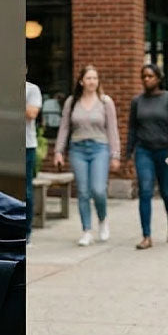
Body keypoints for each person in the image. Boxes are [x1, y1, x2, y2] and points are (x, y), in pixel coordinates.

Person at [53, 66, 121, 246]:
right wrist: (59, 151)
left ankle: (103, 218)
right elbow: (65, 127)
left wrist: (115, 155)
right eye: (89, 78)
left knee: (98, 190)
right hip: (77, 149)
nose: (92, 81)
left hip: (100, 148)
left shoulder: (105, 102)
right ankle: (86, 231)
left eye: (95, 78)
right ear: (81, 81)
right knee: (82, 192)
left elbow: (112, 130)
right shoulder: (72, 102)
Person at [127, 64, 168, 249]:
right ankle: (146, 236)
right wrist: (128, 154)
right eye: (143, 76)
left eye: (150, 76)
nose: (146, 79)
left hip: (164, 151)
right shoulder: (137, 101)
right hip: (144, 151)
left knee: (167, 193)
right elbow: (132, 129)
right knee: (145, 191)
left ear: (159, 78)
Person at [25, 78, 42, 246]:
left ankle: (26, 231)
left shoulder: (32, 89)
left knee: (26, 190)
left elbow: (31, 113)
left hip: (27, 146)